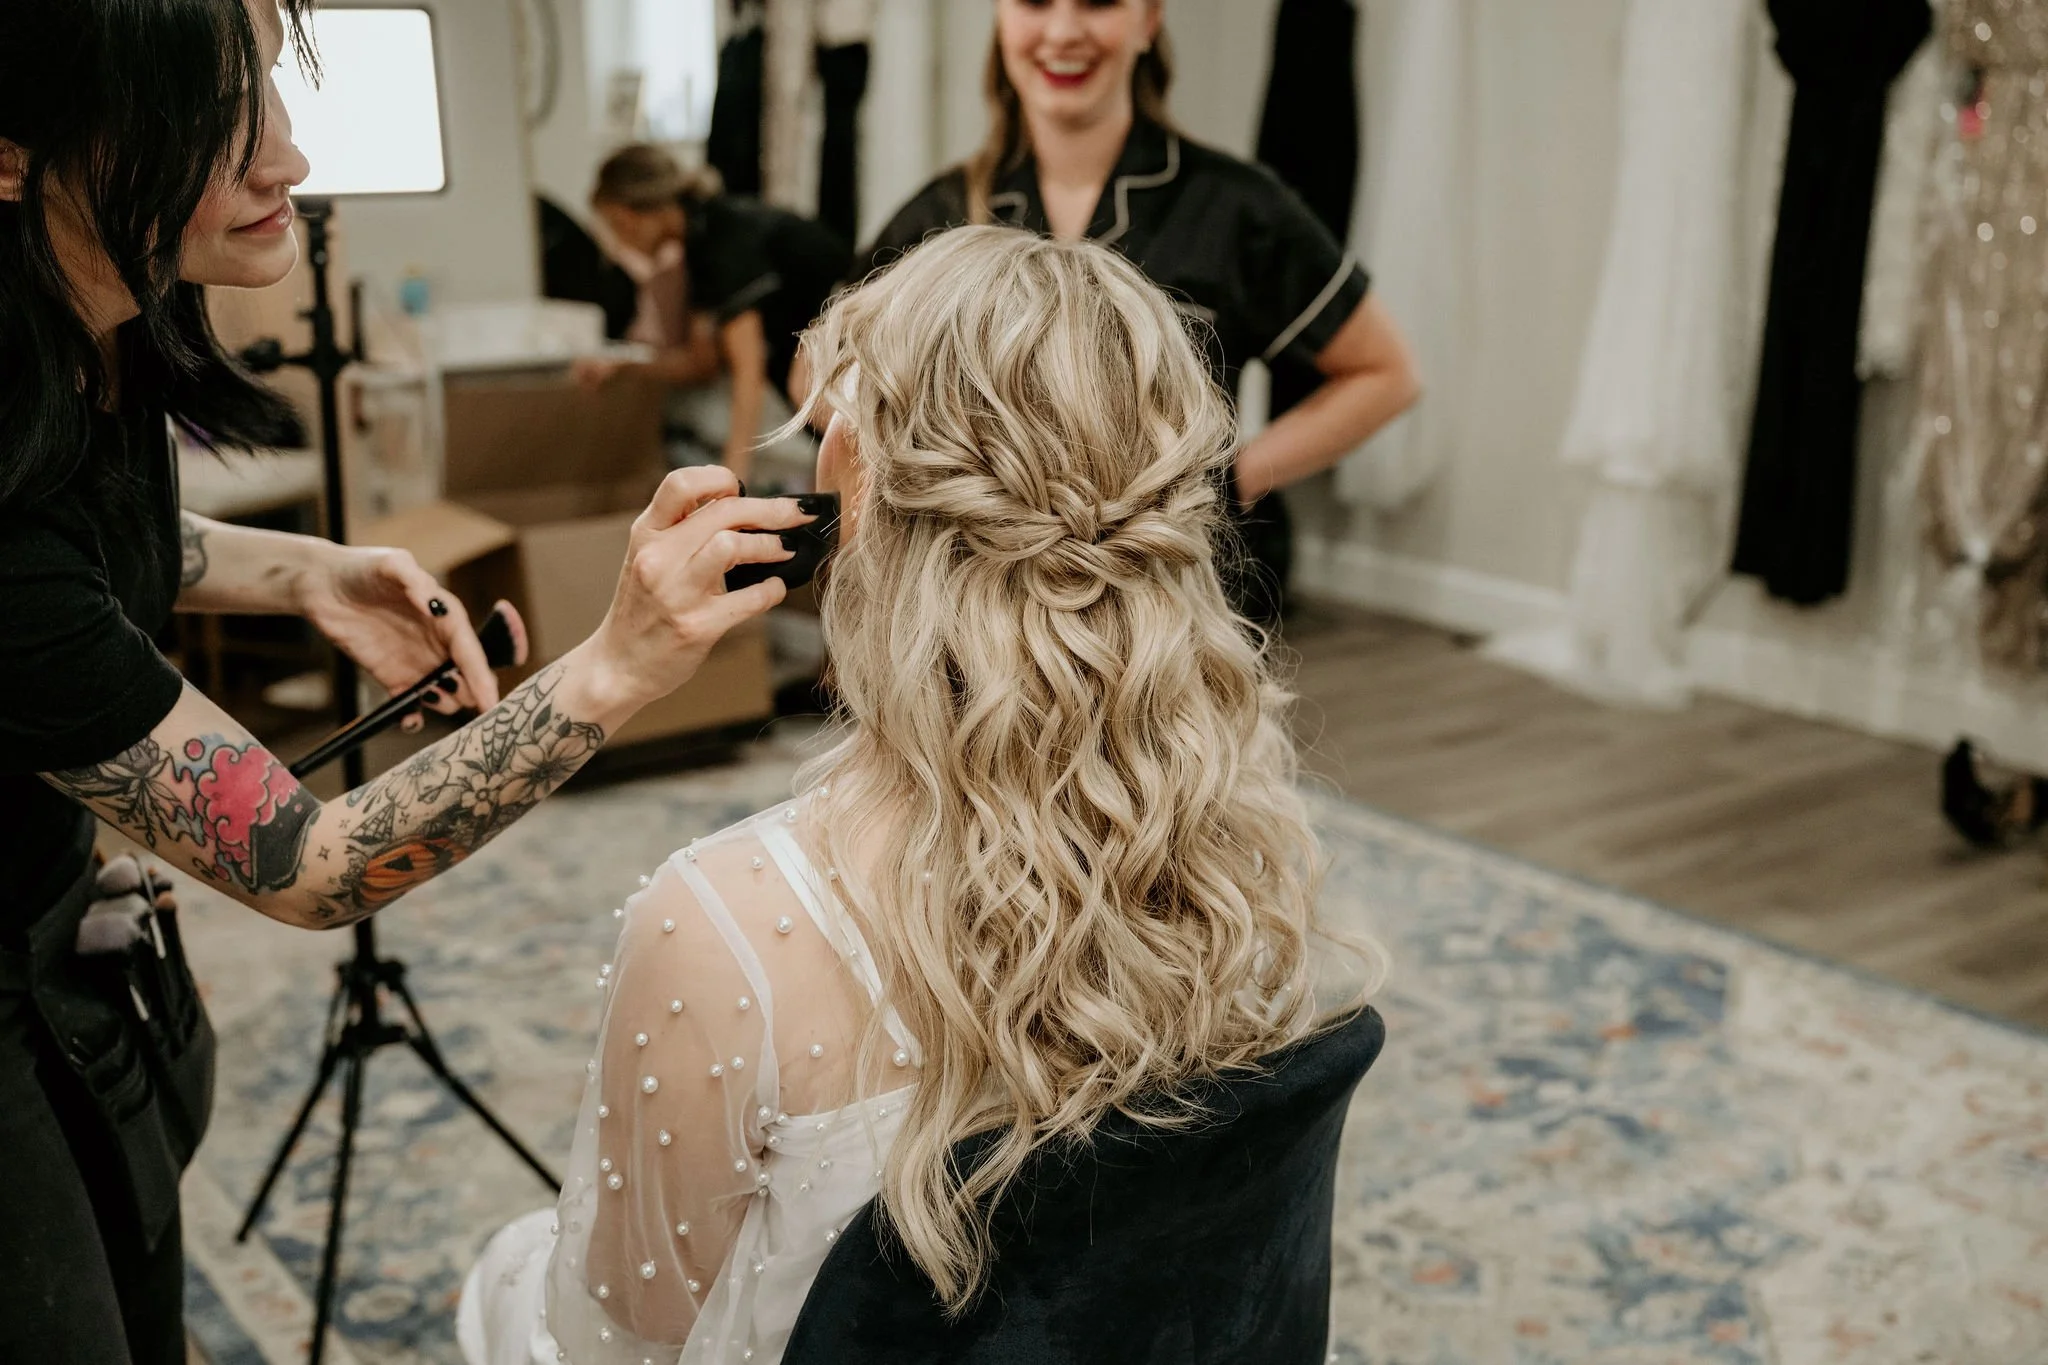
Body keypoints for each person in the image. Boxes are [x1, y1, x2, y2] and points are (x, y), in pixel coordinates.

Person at [0, 2, 813, 1359]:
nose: (288, 158)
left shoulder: (80, 331)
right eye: (211, 114)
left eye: (264, 88)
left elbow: (104, 546)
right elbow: (312, 863)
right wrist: (614, 667)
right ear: (14, 151)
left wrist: (302, 571)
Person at [458, 226, 1384, 1365]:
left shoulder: (723, 928)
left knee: (507, 1277)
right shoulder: (1239, 839)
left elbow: (613, 1354)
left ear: (844, 474)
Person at [854, 0, 1420, 625]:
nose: (1064, 31)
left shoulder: (1234, 209)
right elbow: (817, 376)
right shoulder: (943, 213)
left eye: (1098, 2)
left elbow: (1386, 374)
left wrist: (1232, 477)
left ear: (1148, 20)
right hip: (982, 599)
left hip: (1179, 594)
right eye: (1036, 2)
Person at [575, 145, 852, 484]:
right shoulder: (700, 238)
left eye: (617, 224)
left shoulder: (723, 240)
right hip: (810, 356)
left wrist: (730, 483)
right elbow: (701, 363)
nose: (618, 243)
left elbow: (748, 373)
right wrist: (624, 365)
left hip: (846, 349)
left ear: (635, 215)